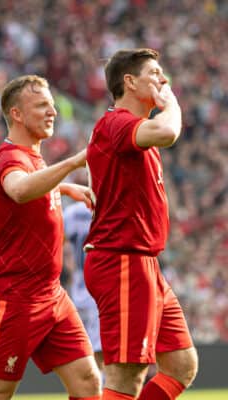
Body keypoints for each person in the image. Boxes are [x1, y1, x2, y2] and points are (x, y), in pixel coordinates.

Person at [0, 75, 101, 400]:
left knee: (88, 382)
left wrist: (64, 187)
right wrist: (73, 164)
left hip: (51, 294)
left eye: (52, 105)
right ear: (17, 114)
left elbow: (31, 185)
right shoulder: (8, 158)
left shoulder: (33, 159)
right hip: (16, 297)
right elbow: (20, 189)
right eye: (41, 106)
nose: (52, 112)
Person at [83, 48, 198, 400]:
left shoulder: (133, 131)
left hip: (142, 261)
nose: (163, 80)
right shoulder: (117, 122)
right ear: (129, 82)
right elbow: (169, 132)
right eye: (155, 73)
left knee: (181, 363)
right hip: (122, 259)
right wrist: (172, 104)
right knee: (126, 375)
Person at [63, 180, 103, 371]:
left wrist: (69, 267)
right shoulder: (107, 207)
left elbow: (59, 241)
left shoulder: (72, 213)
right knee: (97, 347)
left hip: (79, 284)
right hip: (101, 285)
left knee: (84, 345)